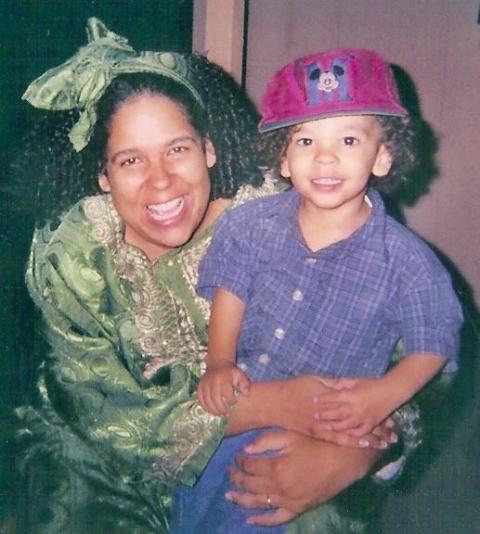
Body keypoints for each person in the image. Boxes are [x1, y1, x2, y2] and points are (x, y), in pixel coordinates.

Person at [171, 49, 463, 532]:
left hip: (322, 432)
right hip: (241, 405)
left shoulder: (408, 261)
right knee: (191, 505)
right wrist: (219, 362)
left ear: (383, 155)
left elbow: (436, 343)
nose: (325, 157)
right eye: (305, 140)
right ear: (283, 158)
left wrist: (382, 397)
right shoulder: (248, 226)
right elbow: (231, 291)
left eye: (349, 139)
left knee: (256, 516)